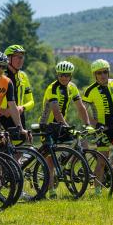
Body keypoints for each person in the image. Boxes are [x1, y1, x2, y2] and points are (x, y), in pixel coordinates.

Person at [40, 61, 93, 198]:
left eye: (67, 75)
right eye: (61, 75)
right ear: (57, 75)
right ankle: (51, 191)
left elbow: (80, 107)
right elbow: (56, 111)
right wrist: (67, 127)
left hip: (61, 125)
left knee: (80, 142)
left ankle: (67, 167)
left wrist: (87, 123)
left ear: (71, 76)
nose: (64, 78)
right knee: (50, 161)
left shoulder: (72, 87)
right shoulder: (52, 88)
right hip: (48, 126)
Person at [82, 59, 113, 197]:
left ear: (108, 72)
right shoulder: (90, 90)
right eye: (99, 73)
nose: (103, 75)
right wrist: (95, 124)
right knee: (102, 160)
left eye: (105, 72)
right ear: (95, 75)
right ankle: (97, 192)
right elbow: (83, 110)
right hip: (103, 129)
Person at [0, 52, 28, 135]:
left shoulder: (7, 82)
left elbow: (12, 106)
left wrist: (20, 128)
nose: (0, 69)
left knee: (1, 145)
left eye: (3, 67)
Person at [1, 45, 34, 129]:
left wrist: (22, 107)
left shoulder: (23, 76)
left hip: (19, 117)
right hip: (1, 118)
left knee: (21, 141)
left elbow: (31, 101)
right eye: (18, 57)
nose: (21, 60)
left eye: (22, 57)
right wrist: (2, 111)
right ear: (8, 59)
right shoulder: (0, 76)